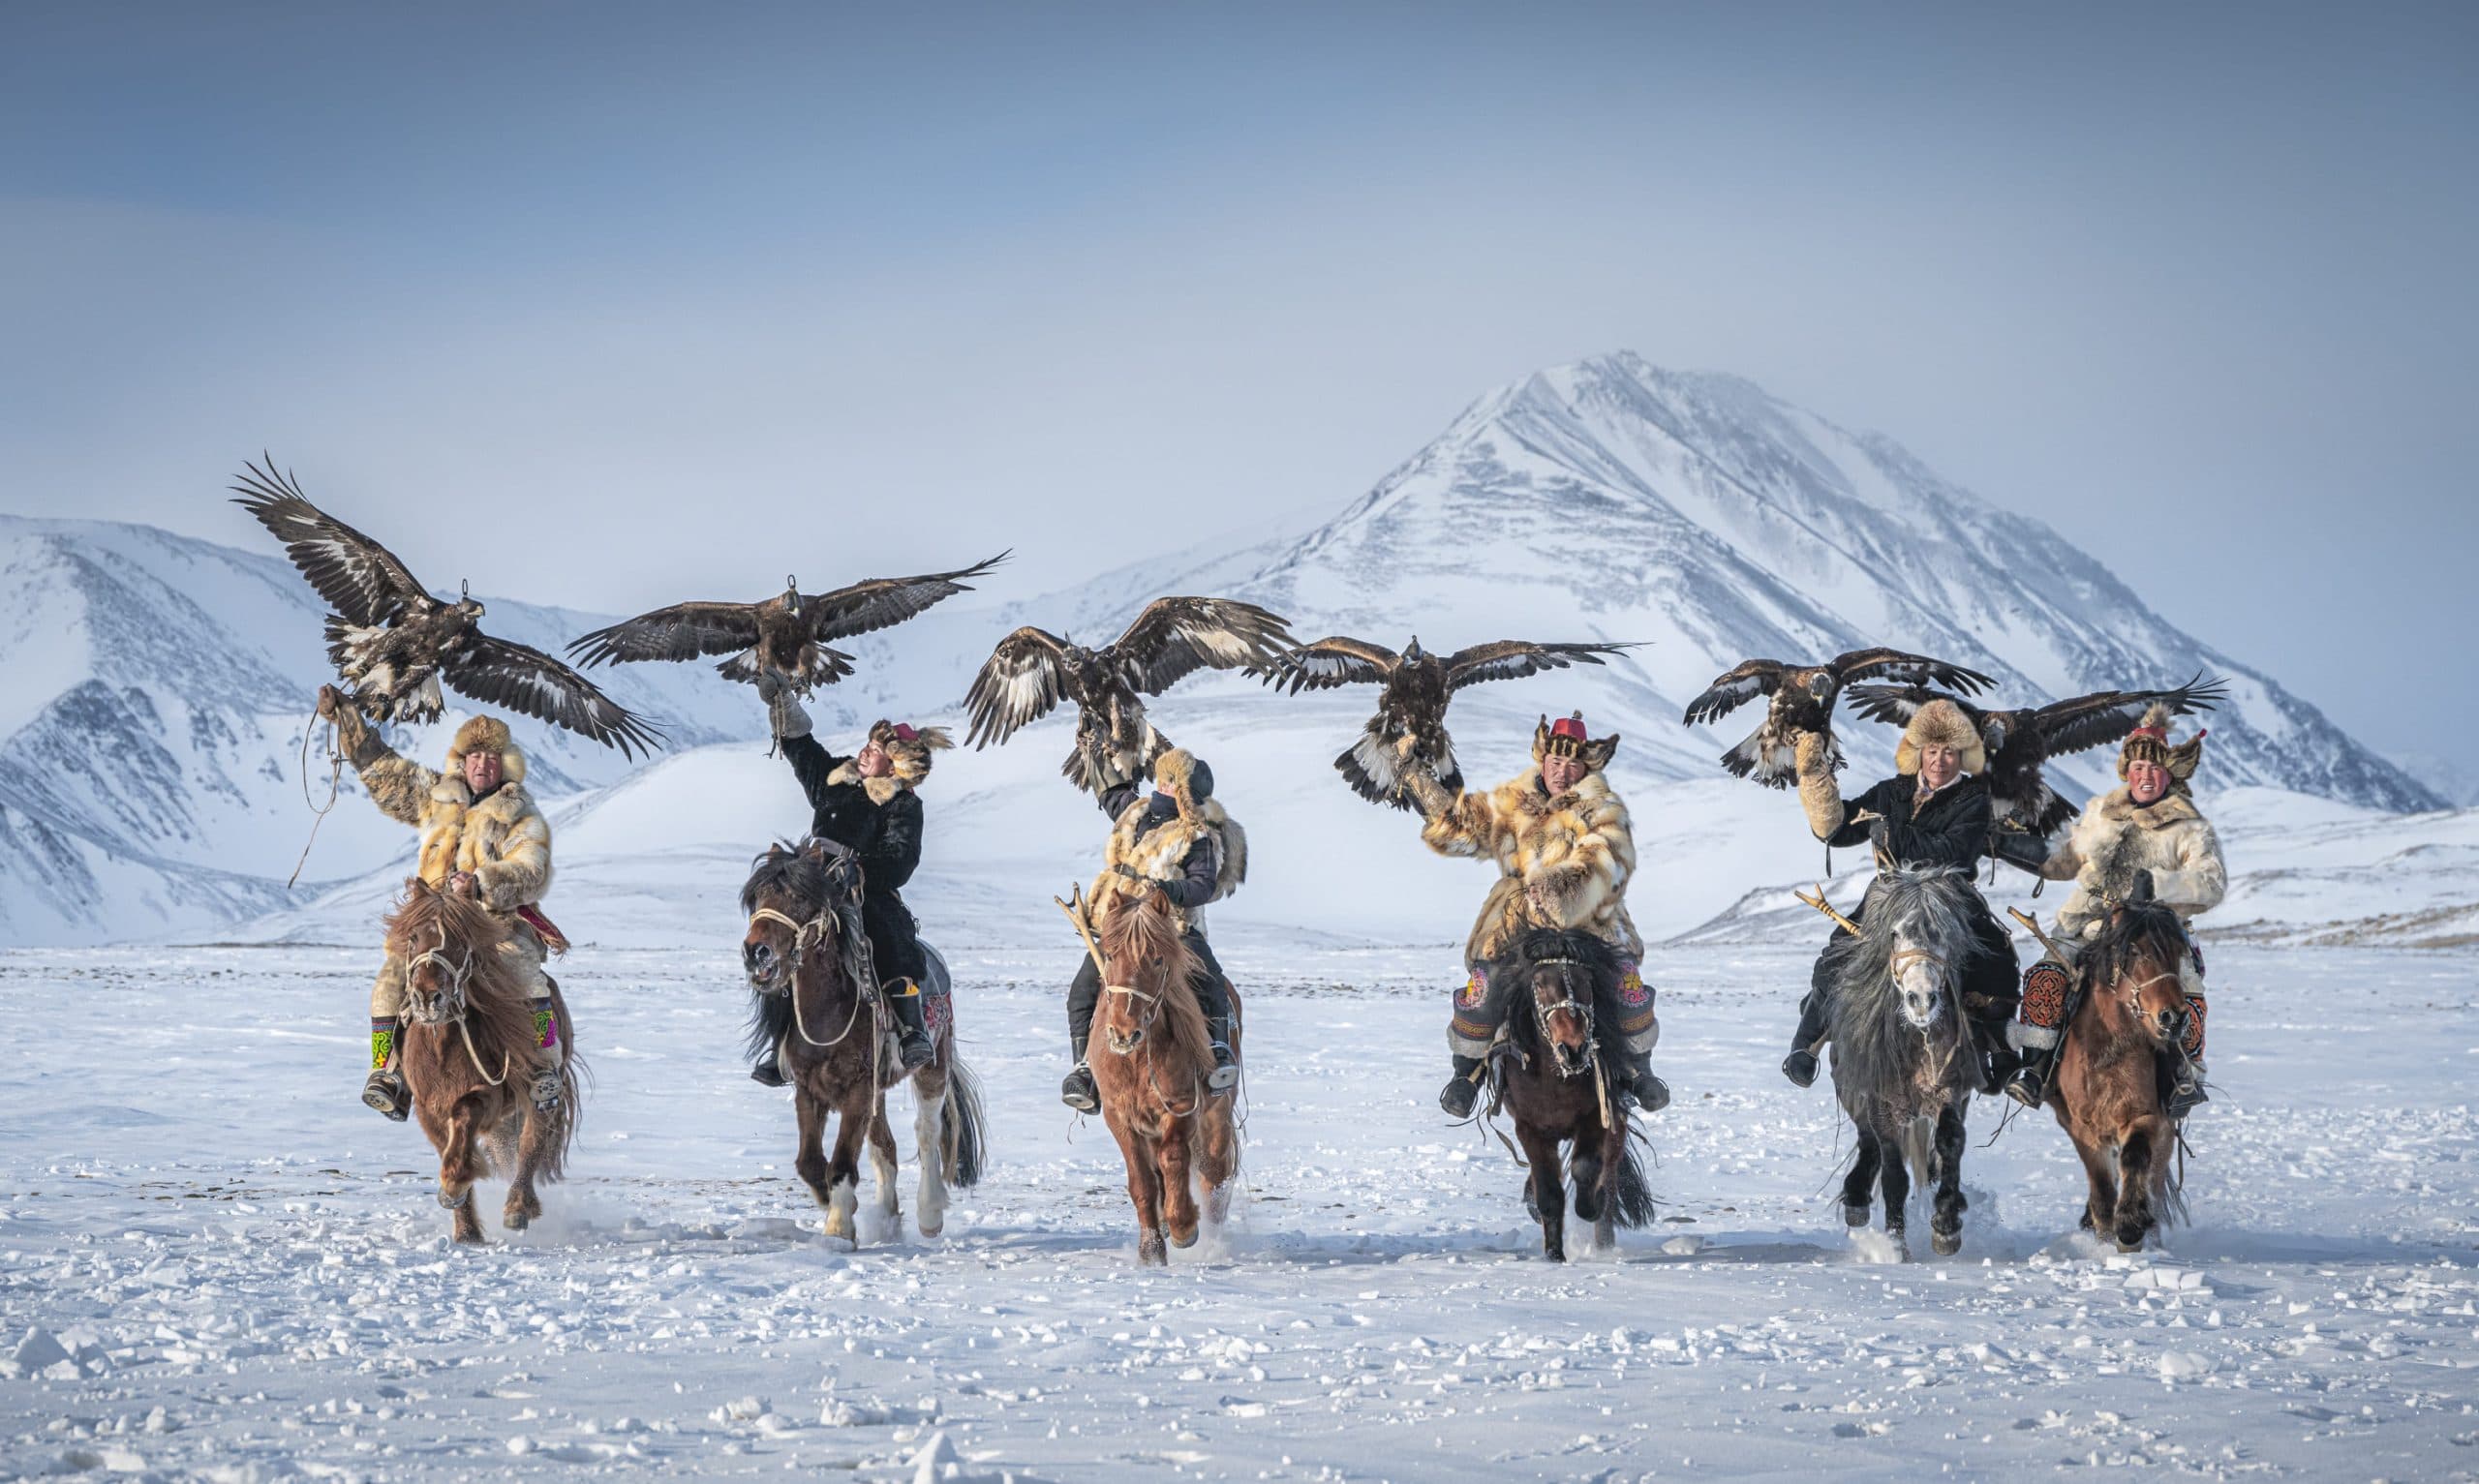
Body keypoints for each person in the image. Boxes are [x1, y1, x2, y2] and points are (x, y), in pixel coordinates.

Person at [319, 685, 565, 1121]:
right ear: (462, 761)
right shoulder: (435, 798)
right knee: (390, 981)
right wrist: (345, 718)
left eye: (492, 757)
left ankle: (545, 1065)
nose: (482, 764)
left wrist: (482, 883)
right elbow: (385, 773)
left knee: (528, 975)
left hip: (493, 925)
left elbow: (532, 869)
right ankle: (386, 1073)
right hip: (432, 923)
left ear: (504, 764)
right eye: (475, 756)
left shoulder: (521, 817)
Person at [1407, 712, 1668, 1120]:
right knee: (1486, 984)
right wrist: (1417, 781)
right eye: (1556, 762)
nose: (1563, 772)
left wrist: (1556, 893)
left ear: (1586, 767)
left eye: (1573, 765)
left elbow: (1607, 860)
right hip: (1516, 922)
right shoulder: (1511, 801)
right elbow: (1462, 827)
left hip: (1589, 920)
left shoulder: (1601, 808)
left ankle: (1638, 1070)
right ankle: (1468, 1073)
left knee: (1625, 983)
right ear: (1543, 761)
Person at [1783, 699, 2020, 1091]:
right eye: (1932, 750)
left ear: (1962, 757)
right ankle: (1805, 1048)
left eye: (1949, 752)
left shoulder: (1974, 799)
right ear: (1919, 752)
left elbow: (1953, 852)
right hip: (1891, 893)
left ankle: (2003, 1054)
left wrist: (1894, 835)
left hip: (1949, 893)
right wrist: (1815, 784)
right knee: (1838, 952)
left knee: (1996, 957)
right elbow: (1842, 829)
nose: (1939, 761)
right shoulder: (1891, 791)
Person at [2004, 707, 2223, 1114]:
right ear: (2127, 771)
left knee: (2185, 993)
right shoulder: (2101, 813)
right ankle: (2034, 1069)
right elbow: (2066, 860)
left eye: (2154, 768)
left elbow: (2212, 883)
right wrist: (2012, 846)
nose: (2146, 775)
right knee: (2045, 978)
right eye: (2138, 767)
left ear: (2169, 774)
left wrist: (2156, 886)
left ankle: (2183, 1075)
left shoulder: (2189, 827)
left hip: (2155, 935)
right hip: (2086, 926)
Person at [756, 679, 948, 1081]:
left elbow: (901, 859)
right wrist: (783, 704)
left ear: (894, 766)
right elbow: (803, 752)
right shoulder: (837, 779)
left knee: (889, 935)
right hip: (813, 879)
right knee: (780, 931)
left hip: (863, 889)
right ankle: (782, 1045)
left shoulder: (902, 804)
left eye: (877, 751)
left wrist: (859, 869)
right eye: (868, 744)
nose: (866, 751)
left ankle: (910, 1030)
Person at [1060, 747, 1244, 1111]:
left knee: (1211, 980)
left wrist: (1168, 890)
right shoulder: (1136, 812)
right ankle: (1083, 1067)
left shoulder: (1196, 835)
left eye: (1172, 782)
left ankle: (1219, 1049)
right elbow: (1110, 792)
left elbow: (1202, 885)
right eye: (1163, 778)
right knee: (1082, 990)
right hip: (1122, 925)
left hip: (1171, 927)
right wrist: (1094, 751)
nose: (1163, 785)